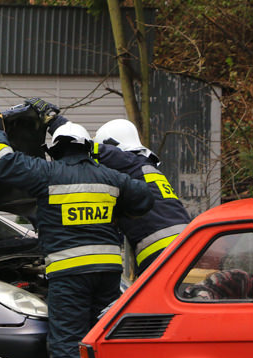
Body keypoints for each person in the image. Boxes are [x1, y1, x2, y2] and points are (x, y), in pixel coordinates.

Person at [0, 106, 154, 358]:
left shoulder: (48, 174)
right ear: (85, 147)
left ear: (57, 150)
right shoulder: (110, 178)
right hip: (107, 273)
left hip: (69, 276)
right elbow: (145, 198)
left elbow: (2, 163)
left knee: (67, 340)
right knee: (99, 337)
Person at [42, 108, 192, 274]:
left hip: (161, 251)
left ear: (113, 145)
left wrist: (57, 123)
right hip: (187, 243)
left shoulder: (126, 161)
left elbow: (83, 146)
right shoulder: (143, 167)